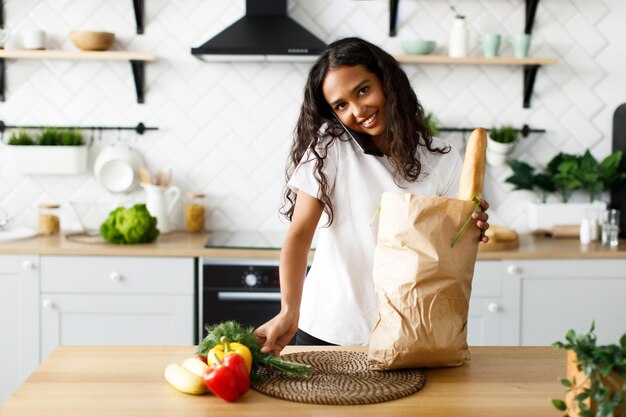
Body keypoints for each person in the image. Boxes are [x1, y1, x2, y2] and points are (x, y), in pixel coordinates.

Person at [253, 37, 490, 355]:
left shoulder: (444, 159)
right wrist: (288, 311)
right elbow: (298, 235)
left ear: (386, 80)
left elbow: (445, 253)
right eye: (341, 105)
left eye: (363, 90)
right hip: (329, 327)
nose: (357, 110)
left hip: (412, 330)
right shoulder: (330, 148)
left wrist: (469, 227)